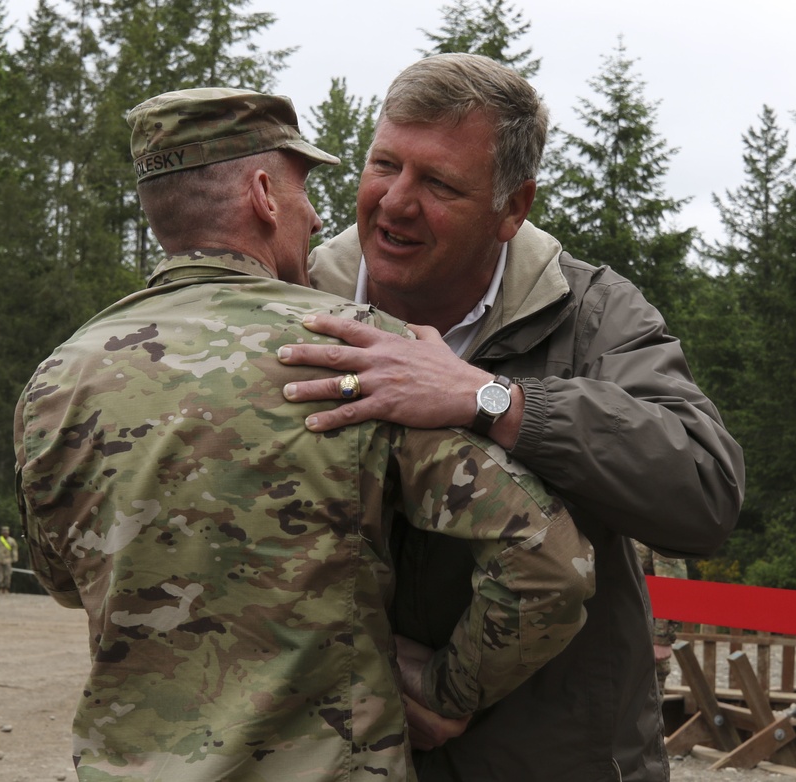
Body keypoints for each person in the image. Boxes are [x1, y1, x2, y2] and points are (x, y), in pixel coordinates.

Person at [13, 87, 596, 782]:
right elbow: (549, 560)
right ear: (263, 194)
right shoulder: (355, 351)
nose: (318, 216)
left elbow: (65, 581)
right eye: (302, 189)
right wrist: (448, 691)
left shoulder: (57, 381)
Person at [278, 53, 746, 782]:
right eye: (384, 165)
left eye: (438, 184)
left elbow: (705, 489)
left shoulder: (590, 313)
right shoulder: (293, 301)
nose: (396, 202)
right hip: (339, 754)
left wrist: (490, 398)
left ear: (512, 208)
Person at [632, 540, 688, 694]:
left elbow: (672, 586)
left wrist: (662, 638)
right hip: (605, 636)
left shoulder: (654, 523)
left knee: (645, 711)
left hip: (643, 642)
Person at [0, 525, 19, 594]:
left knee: (7, 575)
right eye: (4, 532)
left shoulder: (12, 541)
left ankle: (6, 588)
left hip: (8, 560)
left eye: (6, 532)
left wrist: (15, 558)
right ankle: (0, 588)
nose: (5, 533)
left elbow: (14, 550)